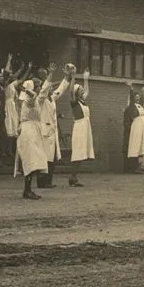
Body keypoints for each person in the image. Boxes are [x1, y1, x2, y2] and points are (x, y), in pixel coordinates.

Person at [16, 64, 60, 199]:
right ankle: (27, 190)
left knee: (35, 159)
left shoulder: (35, 99)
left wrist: (50, 76)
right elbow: (33, 96)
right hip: (29, 131)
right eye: (37, 86)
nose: (40, 88)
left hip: (34, 131)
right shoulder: (29, 100)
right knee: (31, 159)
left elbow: (42, 92)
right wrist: (26, 89)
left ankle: (28, 189)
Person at [36, 66, 70, 188]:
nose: (51, 88)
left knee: (53, 157)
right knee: (44, 158)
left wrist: (67, 76)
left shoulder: (52, 98)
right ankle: (41, 182)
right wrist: (50, 74)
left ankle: (48, 181)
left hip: (52, 132)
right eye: (49, 86)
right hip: (45, 131)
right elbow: (43, 90)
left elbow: (61, 89)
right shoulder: (40, 99)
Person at [68, 68, 94, 187]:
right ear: (76, 92)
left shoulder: (83, 102)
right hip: (79, 128)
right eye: (80, 89)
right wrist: (73, 77)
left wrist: (86, 79)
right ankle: (73, 177)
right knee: (78, 152)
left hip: (85, 127)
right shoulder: (74, 102)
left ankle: (74, 177)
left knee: (82, 153)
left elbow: (87, 92)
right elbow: (71, 92)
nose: (83, 90)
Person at [125, 85, 144, 174]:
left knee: (142, 147)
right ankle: (134, 167)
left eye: (138, 97)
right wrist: (131, 89)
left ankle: (141, 166)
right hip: (137, 128)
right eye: (135, 97)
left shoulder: (141, 106)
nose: (137, 98)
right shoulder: (132, 107)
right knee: (135, 146)